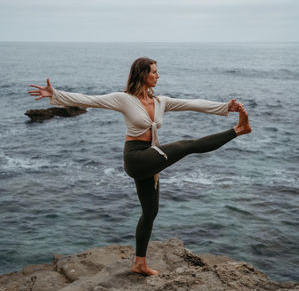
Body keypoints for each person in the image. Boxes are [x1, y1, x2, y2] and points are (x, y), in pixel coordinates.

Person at [28, 57, 251, 276]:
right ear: (143, 74)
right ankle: (238, 130)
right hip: (136, 158)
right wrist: (55, 94)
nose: (158, 75)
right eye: (154, 72)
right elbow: (89, 100)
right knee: (187, 145)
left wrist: (224, 107)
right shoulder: (123, 99)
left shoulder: (160, 102)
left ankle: (139, 263)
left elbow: (192, 104)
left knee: (150, 212)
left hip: (151, 155)